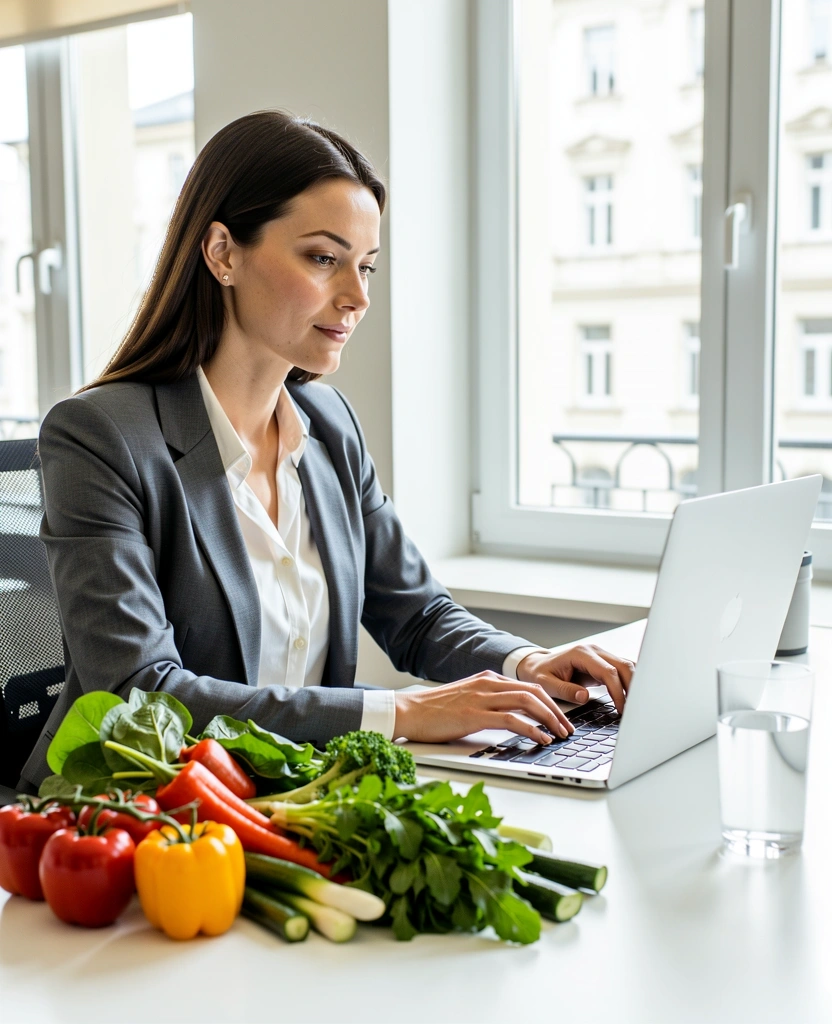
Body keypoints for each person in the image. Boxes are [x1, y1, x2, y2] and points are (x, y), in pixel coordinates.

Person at [20, 111, 633, 791]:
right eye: (323, 258)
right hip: (140, 812)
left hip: (298, 797)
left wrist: (526, 663)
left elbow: (417, 613)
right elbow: (143, 693)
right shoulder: (100, 437)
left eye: (366, 266)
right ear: (223, 253)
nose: (357, 296)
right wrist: (396, 713)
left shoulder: (328, 424)